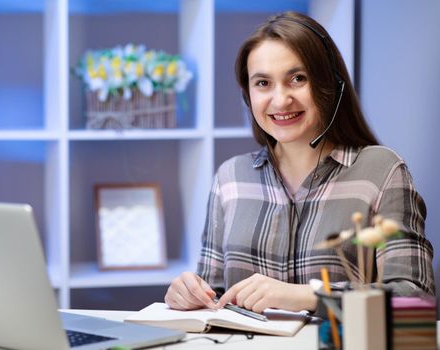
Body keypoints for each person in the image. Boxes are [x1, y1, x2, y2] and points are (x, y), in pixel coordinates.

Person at [164, 11, 435, 314]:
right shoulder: (231, 178)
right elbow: (213, 297)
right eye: (263, 83)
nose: (280, 100)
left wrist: (308, 296)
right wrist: (188, 296)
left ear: (330, 84)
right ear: (248, 96)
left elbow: (414, 301)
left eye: (297, 79)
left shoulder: (381, 172)